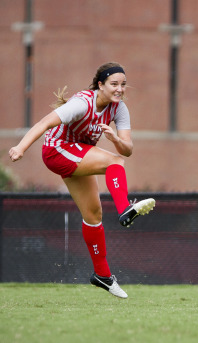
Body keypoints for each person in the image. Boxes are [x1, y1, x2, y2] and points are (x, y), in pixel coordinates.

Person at [9, 62, 155, 299]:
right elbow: (44, 123)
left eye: (123, 85)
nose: (120, 89)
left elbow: (127, 149)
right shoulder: (82, 103)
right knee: (114, 163)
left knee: (93, 215)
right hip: (57, 150)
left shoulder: (119, 109)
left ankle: (102, 276)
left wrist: (115, 138)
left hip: (76, 153)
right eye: (114, 84)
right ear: (101, 85)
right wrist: (21, 147)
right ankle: (125, 209)